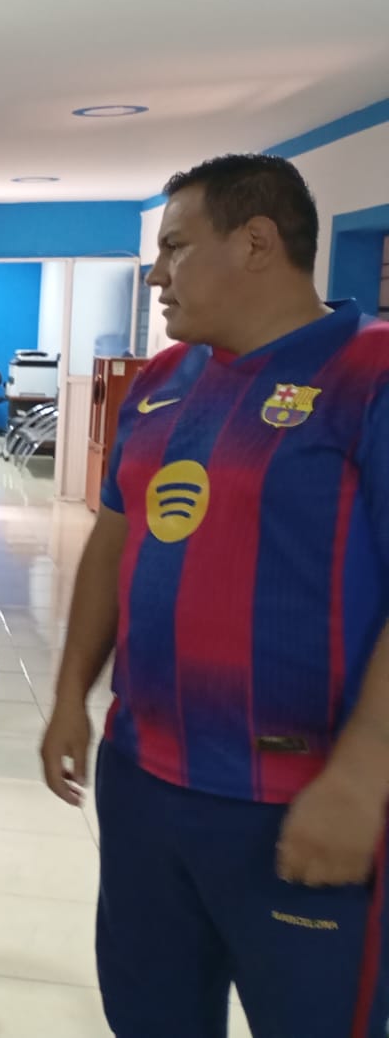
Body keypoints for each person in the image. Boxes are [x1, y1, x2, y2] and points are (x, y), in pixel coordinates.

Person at [39, 153, 389, 1038]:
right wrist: (72, 694)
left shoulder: (369, 374)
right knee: (148, 1014)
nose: (157, 274)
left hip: (302, 799)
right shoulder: (163, 383)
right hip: (146, 784)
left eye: (176, 247)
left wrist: (363, 775)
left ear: (257, 242)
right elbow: (114, 542)